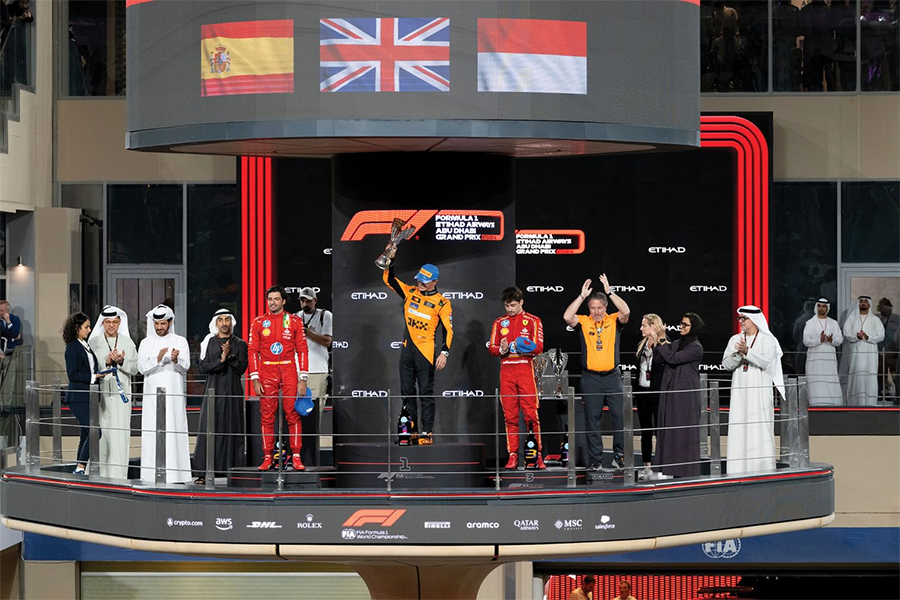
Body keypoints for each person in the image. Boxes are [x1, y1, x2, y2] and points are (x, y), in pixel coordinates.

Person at [382, 249, 453, 445]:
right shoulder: (410, 291)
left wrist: (444, 353)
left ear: (435, 282)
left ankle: (427, 432)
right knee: (406, 392)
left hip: (426, 352)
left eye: (425, 281)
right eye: (419, 279)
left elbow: (448, 330)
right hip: (407, 351)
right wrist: (392, 258)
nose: (420, 283)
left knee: (425, 394)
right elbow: (390, 280)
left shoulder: (442, 303)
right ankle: (410, 432)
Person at [563, 275, 631, 470]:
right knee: (592, 420)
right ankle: (595, 460)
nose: (596, 311)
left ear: (606, 307)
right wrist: (581, 296)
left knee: (618, 416)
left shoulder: (614, 320)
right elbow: (567, 317)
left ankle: (619, 456)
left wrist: (609, 291)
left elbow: (626, 311)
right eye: (592, 308)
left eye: (600, 307)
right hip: (591, 378)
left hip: (613, 377)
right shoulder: (584, 321)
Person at [248, 286, 309, 471]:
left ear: (283, 301)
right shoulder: (259, 322)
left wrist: (303, 378)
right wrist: (255, 378)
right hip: (267, 371)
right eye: (270, 299)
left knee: (293, 414)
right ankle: (267, 456)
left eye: (276, 299)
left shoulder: (295, 321)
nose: (272, 302)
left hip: (289, 369)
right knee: (267, 417)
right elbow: (252, 351)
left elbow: (302, 350)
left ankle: (296, 456)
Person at [722, 306, 785, 475]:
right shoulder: (735, 339)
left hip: (759, 392)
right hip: (740, 392)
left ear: (754, 320)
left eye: (744, 318)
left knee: (759, 427)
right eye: (739, 319)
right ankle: (737, 470)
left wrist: (747, 352)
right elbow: (726, 364)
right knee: (739, 426)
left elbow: (765, 362)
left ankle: (762, 470)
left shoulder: (768, 340)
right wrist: (738, 353)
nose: (741, 321)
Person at [488, 286, 545, 470]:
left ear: (521, 302)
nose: (510, 309)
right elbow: (492, 349)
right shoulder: (499, 323)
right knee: (510, 416)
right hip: (506, 372)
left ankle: (537, 455)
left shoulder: (533, 321)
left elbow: (539, 347)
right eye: (507, 306)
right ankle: (512, 455)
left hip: (525, 370)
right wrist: (503, 349)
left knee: (531, 414)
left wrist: (520, 347)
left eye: (513, 305)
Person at [192, 308, 248, 484]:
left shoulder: (240, 344)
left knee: (233, 429)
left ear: (231, 322)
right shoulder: (208, 342)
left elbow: (241, 368)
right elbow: (203, 368)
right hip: (213, 391)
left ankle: (235, 472)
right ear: (216, 323)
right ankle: (203, 472)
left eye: (227, 320)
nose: (224, 323)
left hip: (233, 392)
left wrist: (229, 356)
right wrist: (221, 360)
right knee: (209, 429)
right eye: (221, 320)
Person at [137, 305, 191, 483]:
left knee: (174, 429)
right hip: (152, 395)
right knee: (153, 431)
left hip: (174, 394)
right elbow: (141, 368)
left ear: (170, 322)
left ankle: (177, 474)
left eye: (163, 323)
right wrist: (157, 358)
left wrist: (176, 360)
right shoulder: (146, 343)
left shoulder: (180, 341)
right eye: (157, 323)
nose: (160, 327)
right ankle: (150, 474)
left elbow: (186, 367)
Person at [87, 305, 137, 480]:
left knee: (119, 437)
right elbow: (89, 369)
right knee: (101, 437)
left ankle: (118, 476)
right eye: (107, 322)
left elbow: (135, 368)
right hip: (100, 398)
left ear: (119, 322)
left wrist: (122, 361)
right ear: (103, 323)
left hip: (121, 398)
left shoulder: (127, 342)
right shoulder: (93, 343)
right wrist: (105, 360)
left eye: (115, 322)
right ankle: (97, 475)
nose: (111, 325)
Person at [653, 313, 705, 479]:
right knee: (669, 429)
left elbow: (673, 359)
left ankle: (685, 471)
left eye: (685, 325)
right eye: (681, 323)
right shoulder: (676, 343)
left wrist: (662, 339)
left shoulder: (696, 348)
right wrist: (656, 342)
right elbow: (662, 358)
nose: (681, 327)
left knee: (683, 430)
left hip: (685, 395)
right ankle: (669, 468)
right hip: (670, 392)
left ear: (693, 327)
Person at [62, 312, 105, 475]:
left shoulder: (84, 345)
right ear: (77, 328)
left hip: (88, 396)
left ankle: (79, 468)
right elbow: (72, 374)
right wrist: (94, 376)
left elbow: (89, 368)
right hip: (78, 397)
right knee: (95, 431)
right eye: (86, 327)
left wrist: (99, 373)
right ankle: (80, 467)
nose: (89, 329)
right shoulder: (72, 346)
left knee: (86, 433)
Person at [634, 314, 667, 480]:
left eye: (644, 325)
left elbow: (664, 362)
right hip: (642, 393)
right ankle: (647, 466)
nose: (641, 328)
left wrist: (657, 343)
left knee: (660, 431)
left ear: (653, 326)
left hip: (657, 393)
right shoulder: (641, 346)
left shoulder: (664, 344)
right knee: (645, 431)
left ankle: (662, 467)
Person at [296, 287, 333, 419]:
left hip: (318, 370)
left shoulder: (325, 315)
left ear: (315, 300)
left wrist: (306, 332)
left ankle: (314, 439)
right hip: (297, 371)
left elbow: (327, 341)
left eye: (308, 301)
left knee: (316, 412)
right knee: (296, 411)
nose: (305, 304)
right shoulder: (294, 317)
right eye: (302, 301)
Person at [843, 295, 885, 406]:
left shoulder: (875, 320)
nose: (863, 303)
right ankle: (854, 403)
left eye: (865, 301)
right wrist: (856, 337)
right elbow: (847, 334)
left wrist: (868, 338)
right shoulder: (852, 318)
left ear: (869, 304)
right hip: (855, 353)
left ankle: (870, 403)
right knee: (855, 376)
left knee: (869, 377)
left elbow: (881, 336)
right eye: (861, 301)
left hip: (870, 354)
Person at [802, 298, 844, 406]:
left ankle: (832, 404)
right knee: (816, 381)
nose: (821, 308)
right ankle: (816, 403)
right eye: (819, 306)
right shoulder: (810, 323)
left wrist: (832, 340)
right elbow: (806, 341)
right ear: (816, 307)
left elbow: (840, 340)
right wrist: (818, 341)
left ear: (827, 308)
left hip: (829, 360)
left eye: (824, 306)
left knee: (830, 380)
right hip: (815, 361)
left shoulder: (833, 323)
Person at [877, 298, 900, 397]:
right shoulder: (876, 319)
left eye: (883, 307)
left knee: (895, 376)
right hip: (879, 353)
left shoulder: (897, 319)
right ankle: (880, 395)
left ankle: (897, 395)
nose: (882, 309)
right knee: (880, 376)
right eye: (880, 307)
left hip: (893, 354)